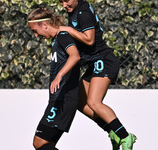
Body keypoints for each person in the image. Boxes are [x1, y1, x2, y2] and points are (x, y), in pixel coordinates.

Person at [58, 0, 137, 150]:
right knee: (80, 102)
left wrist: (67, 29)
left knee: (94, 102)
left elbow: (89, 39)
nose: (63, 5)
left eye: (66, 0)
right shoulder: (74, 10)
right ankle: (113, 132)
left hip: (104, 60)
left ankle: (126, 137)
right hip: (95, 63)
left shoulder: (83, 13)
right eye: (60, 1)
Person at [28, 6, 81, 150]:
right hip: (59, 99)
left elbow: (75, 55)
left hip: (64, 99)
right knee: (47, 144)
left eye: (35, 31)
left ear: (44, 25)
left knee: (39, 143)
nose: (36, 36)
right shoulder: (56, 39)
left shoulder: (62, 36)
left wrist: (59, 75)